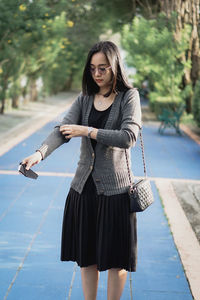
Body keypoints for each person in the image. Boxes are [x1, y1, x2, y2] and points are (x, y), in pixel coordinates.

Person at [21, 41, 142, 300]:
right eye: (93, 69)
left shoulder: (129, 97)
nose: (97, 74)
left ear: (115, 67)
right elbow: (62, 130)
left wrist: (87, 131)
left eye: (103, 68)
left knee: (116, 259)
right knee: (87, 258)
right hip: (83, 188)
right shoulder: (85, 98)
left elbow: (128, 137)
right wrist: (39, 153)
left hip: (116, 192)